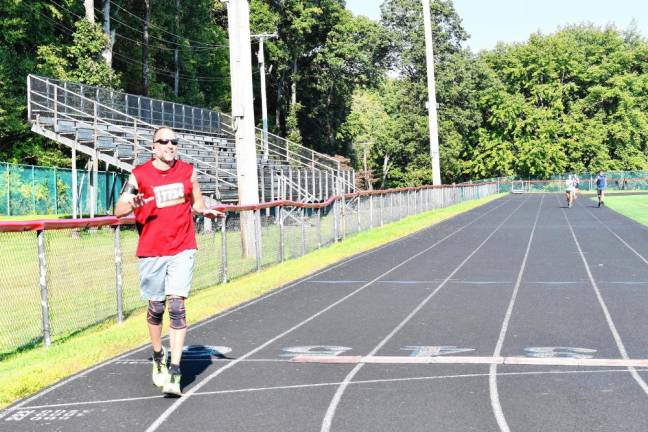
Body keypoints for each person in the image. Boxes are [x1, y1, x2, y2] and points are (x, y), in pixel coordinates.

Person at [115, 126, 222, 396]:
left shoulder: (188, 171)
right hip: (152, 249)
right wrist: (134, 204)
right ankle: (157, 354)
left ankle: (175, 370)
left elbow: (196, 204)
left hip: (182, 247)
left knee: (176, 305)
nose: (170, 145)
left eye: (174, 141)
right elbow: (118, 211)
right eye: (164, 141)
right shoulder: (139, 175)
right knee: (156, 307)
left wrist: (205, 211)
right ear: (153, 146)